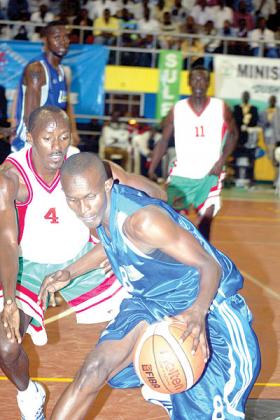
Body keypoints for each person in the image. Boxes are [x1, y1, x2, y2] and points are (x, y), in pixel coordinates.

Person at [39, 152, 260, 420]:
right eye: (73, 200)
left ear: (107, 186)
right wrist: (69, 272)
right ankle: (165, 384)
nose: (83, 209)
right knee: (94, 369)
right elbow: (111, 244)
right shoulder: (96, 216)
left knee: (208, 411)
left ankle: (177, 389)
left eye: (89, 198)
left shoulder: (143, 222)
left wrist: (198, 311)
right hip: (150, 303)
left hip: (204, 307)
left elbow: (209, 266)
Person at [0, 105, 166, 420]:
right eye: (48, 138)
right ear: (31, 137)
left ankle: (159, 381)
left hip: (81, 257)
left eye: (64, 137)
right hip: (28, 267)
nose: (57, 146)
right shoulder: (10, 178)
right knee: (5, 347)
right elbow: (6, 243)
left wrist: (119, 240)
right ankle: (29, 394)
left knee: (153, 312)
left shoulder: (84, 166)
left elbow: (149, 193)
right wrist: (9, 299)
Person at [148, 66, 238, 241]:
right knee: (172, 220)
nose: (199, 83)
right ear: (189, 83)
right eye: (195, 79)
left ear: (208, 83)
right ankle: (176, 258)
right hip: (182, 174)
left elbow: (233, 134)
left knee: (206, 221)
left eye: (203, 79)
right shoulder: (178, 109)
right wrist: (152, 167)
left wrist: (222, 161)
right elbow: (164, 141)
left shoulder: (220, 107)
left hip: (210, 173)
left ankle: (203, 259)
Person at [12, 20, 79, 152]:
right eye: (57, 37)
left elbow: (66, 106)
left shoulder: (62, 71)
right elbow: (30, 118)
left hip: (52, 140)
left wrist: (73, 131)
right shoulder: (37, 69)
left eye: (66, 37)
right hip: (31, 144)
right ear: (45, 41)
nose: (63, 41)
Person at [233, 91, 259, 186]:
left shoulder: (254, 109)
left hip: (250, 139)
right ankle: (236, 177)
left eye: (247, 96)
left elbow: (255, 120)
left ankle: (250, 178)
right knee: (236, 159)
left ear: (249, 97)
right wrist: (242, 122)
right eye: (244, 96)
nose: (246, 97)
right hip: (238, 138)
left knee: (251, 159)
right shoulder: (237, 108)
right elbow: (235, 119)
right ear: (242, 97)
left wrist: (248, 125)